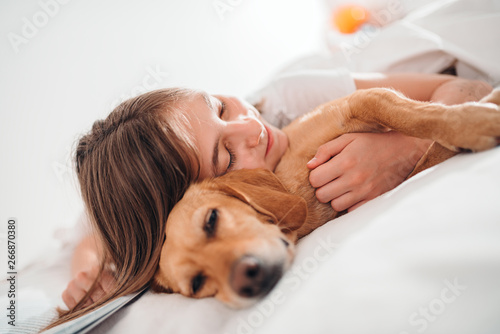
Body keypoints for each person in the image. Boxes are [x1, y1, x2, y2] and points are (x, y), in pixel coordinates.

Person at [48, 71, 492, 329]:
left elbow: (462, 87)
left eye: (219, 107)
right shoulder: (188, 213)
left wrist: (405, 146)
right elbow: (93, 233)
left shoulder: (284, 99)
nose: (249, 129)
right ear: (206, 194)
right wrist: (89, 271)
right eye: (225, 157)